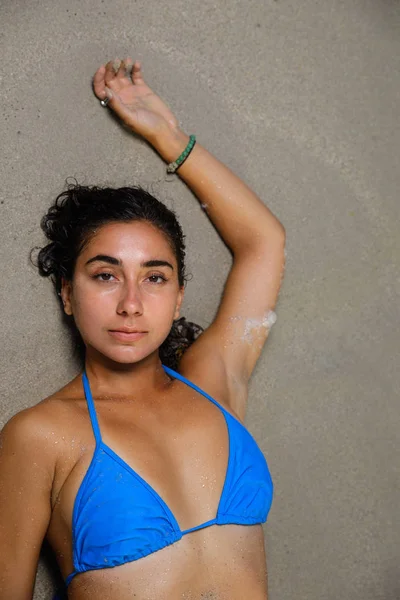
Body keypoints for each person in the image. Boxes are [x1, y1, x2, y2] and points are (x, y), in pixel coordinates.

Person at [0, 58, 286, 600]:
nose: (131, 303)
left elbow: (263, 242)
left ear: (178, 296)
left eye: (154, 277)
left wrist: (167, 135)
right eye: (105, 275)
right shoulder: (40, 436)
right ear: (67, 292)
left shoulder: (213, 386)